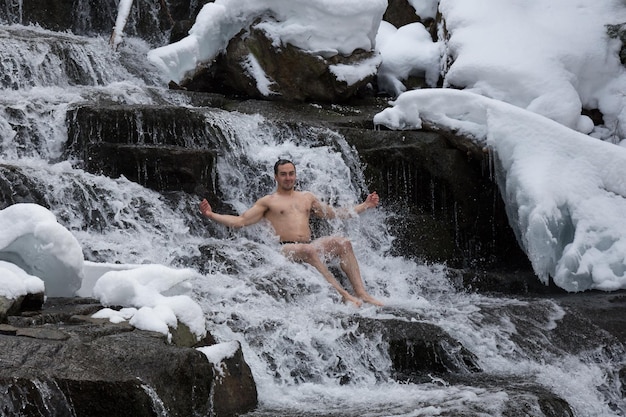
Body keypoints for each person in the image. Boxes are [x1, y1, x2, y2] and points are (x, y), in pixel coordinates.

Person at [199, 159, 384, 307]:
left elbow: (334, 213)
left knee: (343, 243)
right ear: (276, 177)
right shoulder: (268, 201)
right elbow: (241, 221)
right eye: (283, 174)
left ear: (295, 175)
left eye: (291, 174)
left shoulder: (307, 198)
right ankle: (342, 294)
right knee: (308, 250)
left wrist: (365, 205)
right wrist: (211, 214)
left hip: (308, 246)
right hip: (283, 249)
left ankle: (362, 293)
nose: (288, 178)